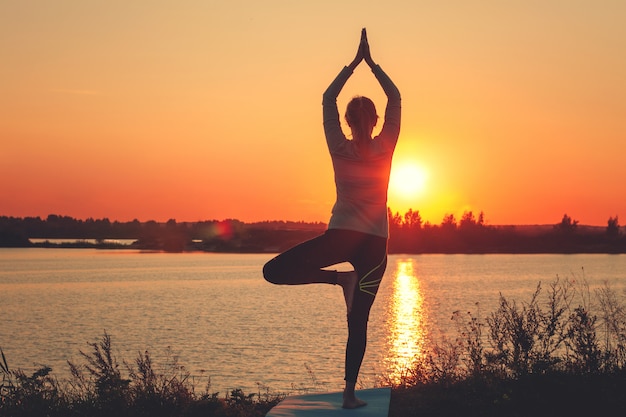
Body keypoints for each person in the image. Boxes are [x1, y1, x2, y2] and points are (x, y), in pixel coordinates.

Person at [263, 28, 401, 409]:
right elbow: (396, 97)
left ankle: (338, 279)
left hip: (341, 236)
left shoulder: (338, 147)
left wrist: (352, 65)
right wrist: (372, 64)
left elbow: (326, 97)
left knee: (272, 271)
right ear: (374, 120)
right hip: (374, 246)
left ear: (347, 119)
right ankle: (349, 394)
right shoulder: (386, 146)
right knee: (358, 323)